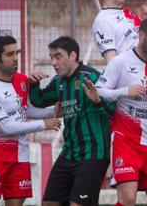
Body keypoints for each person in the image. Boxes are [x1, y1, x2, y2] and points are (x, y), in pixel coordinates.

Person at [96, 18, 147, 206]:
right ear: (141, 35)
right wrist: (125, 91)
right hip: (126, 139)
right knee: (128, 198)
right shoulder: (120, 61)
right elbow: (99, 90)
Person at [29, 36, 116, 206]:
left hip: (93, 153)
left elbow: (113, 110)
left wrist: (97, 101)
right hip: (69, 152)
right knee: (49, 202)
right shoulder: (58, 82)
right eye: (51, 57)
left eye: (58, 56)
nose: (53, 62)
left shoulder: (92, 77)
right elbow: (39, 100)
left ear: (73, 55)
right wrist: (33, 84)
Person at [0, 36, 62, 206]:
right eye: (9, 54)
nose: (15, 58)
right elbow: (6, 127)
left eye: (16, 53)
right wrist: (44, 125)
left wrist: (52, 112)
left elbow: (24, 110)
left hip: (20, 155)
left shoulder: (22, 80)